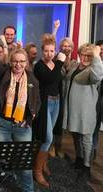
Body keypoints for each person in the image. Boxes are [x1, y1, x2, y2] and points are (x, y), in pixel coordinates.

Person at [0, 27, 41, 192]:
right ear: (10, 62)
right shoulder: (4, 73)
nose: (18, 64)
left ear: (26, 63)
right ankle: (3, 188)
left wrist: (29, 120)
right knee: (1, 161)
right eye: (15, 61)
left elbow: (37, 103)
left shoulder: (32, 80)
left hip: (22, 126)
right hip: (1, 123)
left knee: (25, 163)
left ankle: (28, 190)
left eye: (22, 61)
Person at [62, 44, 103, 181]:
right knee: (75, 135)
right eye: (83, 54)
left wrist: (96, 54)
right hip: (72, 109)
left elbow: (98, 75)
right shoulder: (75, 66)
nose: (85, 58)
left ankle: (86, 167)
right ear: (79, 54)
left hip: (86, 111)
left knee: (86, 138)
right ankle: (79, 159)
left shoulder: (94, 70)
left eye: (89, 56)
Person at [33, 34, 66, 188]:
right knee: (47, 138)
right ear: (42, 51)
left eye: (52, 51)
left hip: (56, 102)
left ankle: (44, 162)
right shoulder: (39, 65)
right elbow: (50, 79)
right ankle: (37, 171)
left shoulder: (55, 64)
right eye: (46, 51)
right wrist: (60, 62)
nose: (49, 54)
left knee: (50, 138)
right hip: (45, 103)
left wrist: (58, 63)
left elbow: (58, 83)